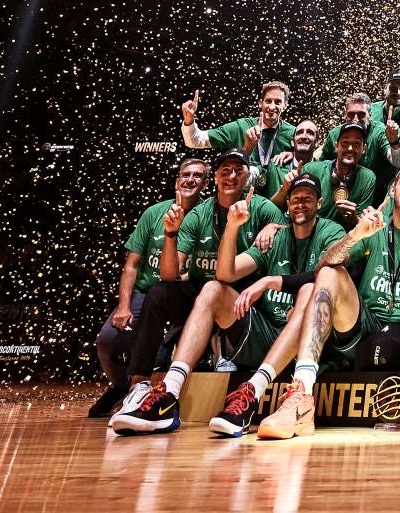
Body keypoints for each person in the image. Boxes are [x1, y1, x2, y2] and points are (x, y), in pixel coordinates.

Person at [254, 165, 400, 440]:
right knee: (329, 273)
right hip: (366, 332)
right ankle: (302, 395)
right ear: (392, 189)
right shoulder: (375, 227)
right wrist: (357, 234)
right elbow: (324, 263)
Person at [111, 175, 342, 435]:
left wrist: (269, 281)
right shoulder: (274, 239)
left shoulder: (331, 231)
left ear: (320, 203)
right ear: (287, 204)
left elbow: (335, 273)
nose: (301, 204)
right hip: (267, 334)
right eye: (296, 199)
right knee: (212, 288)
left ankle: (252, 393)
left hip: (308, 343)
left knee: (310, 289)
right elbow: (225, 274)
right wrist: (232, 226)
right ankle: (169, 395)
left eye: (307, 199)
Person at [109, 150, 282, 429]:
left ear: (248, 177)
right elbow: (169, 273)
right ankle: (139, 386)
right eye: (225, 170)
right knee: (158, 293)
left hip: (241, 302)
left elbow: (280, 233)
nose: (231, 175)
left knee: (215, 286)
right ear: (215, 177)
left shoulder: (263, 210)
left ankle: (171, 391)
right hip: (202, 297)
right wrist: (170, 234)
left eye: (239, 170)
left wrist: (273, 226)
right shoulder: (200, 214)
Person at [89, 156, 208, 418]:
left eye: (197, 176)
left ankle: (150, 394)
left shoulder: (207, 215)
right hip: (146, 292)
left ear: (205, 183)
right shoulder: (154, 213)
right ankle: (124, 387)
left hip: (183, 294)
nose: (190, 180)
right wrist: (123, 305)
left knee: (164, 354)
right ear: (177, 181)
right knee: (107, 341)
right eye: (186, 174)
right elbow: (131, 265)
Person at [181, 81, 293, 186]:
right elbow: (195, 141)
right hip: (241, 195)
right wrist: (189, 120)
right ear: (260, 103)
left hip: (276, 197)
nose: (272, 107)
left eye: (278, 102)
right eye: (268, 101)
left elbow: (308, 160)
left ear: (285, 105)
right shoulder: (241, 126)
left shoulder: (294, 132)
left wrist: (295, 155)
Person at [285, 119, 377, 225]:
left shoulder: (368, 178)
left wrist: (353, 218)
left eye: (356, 143)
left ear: (364, 148)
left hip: (345, 238)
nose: (350, 148)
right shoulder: (311, 170)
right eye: (345, 143)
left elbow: (361, 225)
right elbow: (294, 212)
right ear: (336, 146)